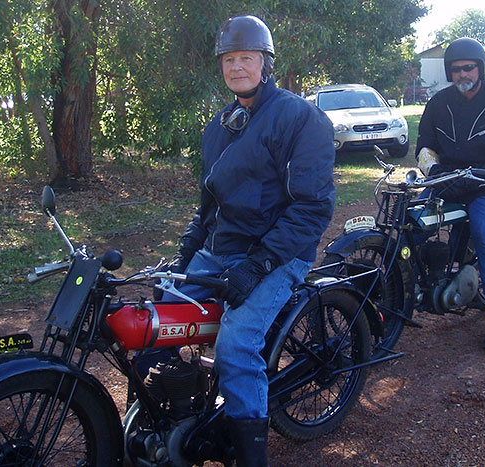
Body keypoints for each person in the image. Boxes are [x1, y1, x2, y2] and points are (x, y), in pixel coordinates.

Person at [161, 15, 335, 466]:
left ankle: (249, 455)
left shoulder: (301, 118)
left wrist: (258, 264)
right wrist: (186, 248)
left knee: (236, 343)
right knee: (158, 320)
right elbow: (208, 203)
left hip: (279, 254)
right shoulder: (219, 125)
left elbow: (312, 209)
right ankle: (171, 425)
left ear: (266, 63)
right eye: (229, 59)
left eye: (246, 58)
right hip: (219, 250)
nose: (237, 67)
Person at [415, 37, 485, 351]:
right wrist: (433, 171)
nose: (463, 74)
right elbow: (424, 145)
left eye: (469, 68)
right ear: (450, 72)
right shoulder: (438, 103)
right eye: (457, 69)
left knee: (482, 231)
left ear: (480, 69)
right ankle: (409, 292)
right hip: (448, 180)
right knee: (412, 223)